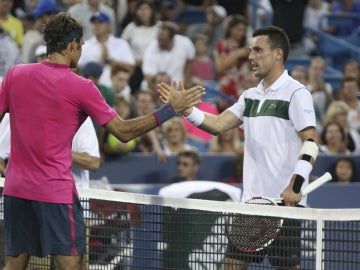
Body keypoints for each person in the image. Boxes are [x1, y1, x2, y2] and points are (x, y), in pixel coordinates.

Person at [0, 12, 205, 270]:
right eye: (82, 46)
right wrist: (168, 110)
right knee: (73, 266)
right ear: (73, 44)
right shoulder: (82, 86)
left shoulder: (14, 75)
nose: (81, 52)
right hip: (54, 194)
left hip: (16, 189)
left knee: (14, 265)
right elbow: (124, 131)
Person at [159, 25, 318, 269]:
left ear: (277, 54)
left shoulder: (297, 93)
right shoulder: (250, 96)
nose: (251, 57)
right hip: (252, 204)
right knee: (231, 265)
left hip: (285, 204)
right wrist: (186, 110)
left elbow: (310, 141)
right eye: (250, 50)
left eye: (257, 50)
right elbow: (219, 124)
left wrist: (295, 184)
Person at [78, 11, 135, 88]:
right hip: (93, 89)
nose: (96, 25)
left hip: (118, 89)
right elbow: (79, 71)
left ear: (108, 26)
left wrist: (109, 59)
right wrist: (101, 61)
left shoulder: (121, 44)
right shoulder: (85, 45)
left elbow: (130, 69)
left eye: (100, 22)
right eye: (94, 23)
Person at [120, 0, 161, 93]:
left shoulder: (159, 27)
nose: (143, 12)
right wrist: (131, 60)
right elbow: (122, 46)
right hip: (137, 66)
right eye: (140, 9)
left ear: (152, 11)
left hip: (156, 66)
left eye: (146, 9)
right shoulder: (132, 27)